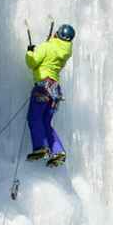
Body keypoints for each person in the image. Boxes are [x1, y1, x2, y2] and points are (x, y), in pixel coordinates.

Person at [25, 24, 75, 168]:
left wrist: (30, 52)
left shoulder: (47, 47)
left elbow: (32, 63)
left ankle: (40, 147)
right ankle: (58, 151)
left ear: (56, 34)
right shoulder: (64, 52)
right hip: (55, 91)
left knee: (34, 118)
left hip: (43, 88)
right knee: (45, 122)